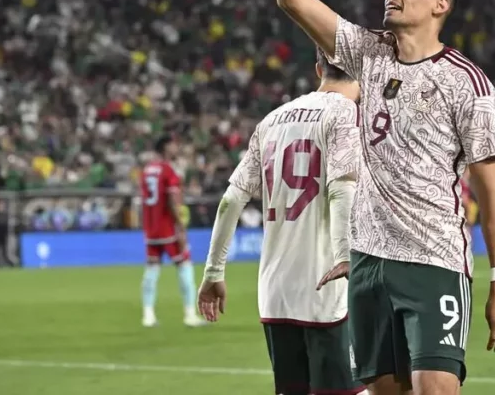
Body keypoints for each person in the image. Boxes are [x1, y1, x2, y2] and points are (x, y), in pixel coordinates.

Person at [254, 0, 495, 395]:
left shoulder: (468, 83)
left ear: (440, 6)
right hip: (369, 265)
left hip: (434, 260)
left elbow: (492, 193)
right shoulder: (368, 55)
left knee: (436, 388)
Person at [199, 49, 364, 395]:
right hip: (326, 289)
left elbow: (231, 199)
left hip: (274, 292)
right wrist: (345, 256)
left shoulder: (272, 120)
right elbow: (341, 190)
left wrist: (214, 272)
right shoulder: (345, 114)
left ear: (319, 68)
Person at [139, 135, 203, 327]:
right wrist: (180, 226)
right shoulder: (168, 171)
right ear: (166, 147)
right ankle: (190, 315)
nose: (177, 147)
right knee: (185, 265)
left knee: (151, 270)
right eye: (174, 144)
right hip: (168, 228)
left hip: (151, 228)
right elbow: (172, 200)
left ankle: (148, 315)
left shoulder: (147, 170)